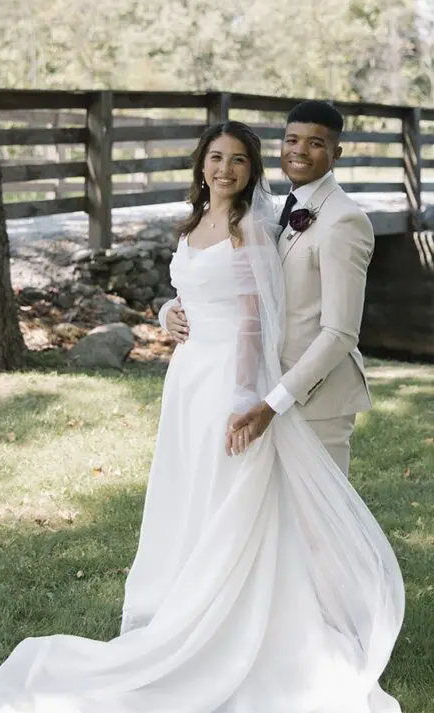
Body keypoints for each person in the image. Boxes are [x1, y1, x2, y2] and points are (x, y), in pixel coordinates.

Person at [0, 121, 406, 713]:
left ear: (254, 168)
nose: (226, 168)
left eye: (238, 159)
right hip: (189, 380)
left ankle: (253, 632)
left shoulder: (262, 227)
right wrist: (169, 312)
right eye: (215, 157)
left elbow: (259, 321)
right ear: (200, 165)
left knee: (237, 508)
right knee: (188, 504)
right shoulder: (197, 222)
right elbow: (199, 293)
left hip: (234, 387)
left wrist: (250, 400)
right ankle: (182, 605)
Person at [160, 101, 373, 476]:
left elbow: (340, 333)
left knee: (320, 509)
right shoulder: (272, 210)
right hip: (264, 382)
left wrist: (273, 402)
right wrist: (170, 311)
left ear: (336, 153)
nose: (300, 151)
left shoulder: (344, 220)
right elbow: (229, 281)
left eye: (315, 143)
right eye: (292, 140)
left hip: (313, 395)